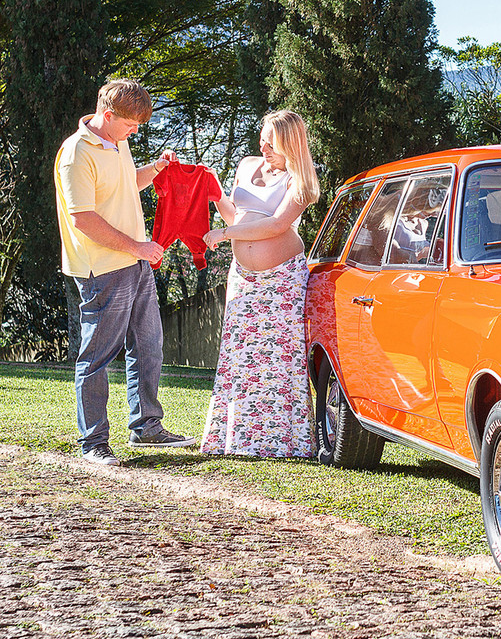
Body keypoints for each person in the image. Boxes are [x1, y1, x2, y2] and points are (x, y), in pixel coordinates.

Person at [54, 79, 197, 466]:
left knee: (148, 347)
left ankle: (147, 426)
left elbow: (126, 186)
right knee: (97, 357)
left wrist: (155, 167)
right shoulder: (76, 152)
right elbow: (82, 217)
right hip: (102, 268)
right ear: (108, 115)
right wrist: (137, 247)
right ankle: (94, 443)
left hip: (136, 263)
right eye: (131, 124)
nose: (136, 131)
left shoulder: (118, 142)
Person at [200, 110, 320, 458]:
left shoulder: (300, 182)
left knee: (279, 359)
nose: (263, 145)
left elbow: (276, 226)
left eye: (272, 141)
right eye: (262, 138)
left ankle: (283, 442)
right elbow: (236, 213)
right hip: (243, 276)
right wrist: (212, 190)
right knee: (240, 354)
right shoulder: (246, 165)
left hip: (282, 279)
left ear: (290, 143)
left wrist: (226, 234)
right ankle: (236, 439)